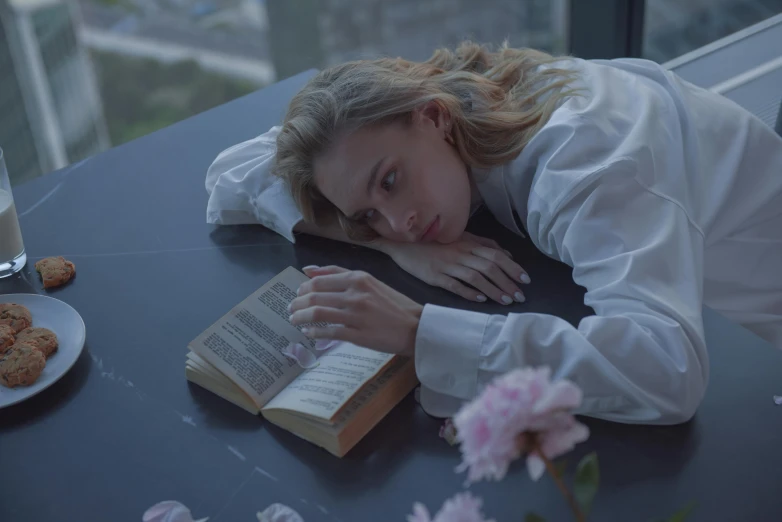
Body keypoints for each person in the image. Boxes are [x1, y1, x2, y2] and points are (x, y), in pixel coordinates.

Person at [205, 41, 782, 425]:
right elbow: (232, 174)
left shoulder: (588, 168)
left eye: (390, 181)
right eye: (367, 213)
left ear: (431, 117)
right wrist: (388, 243)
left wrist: (417, 329)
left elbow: (666, 370)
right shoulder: (465, 91)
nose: (398, 218)